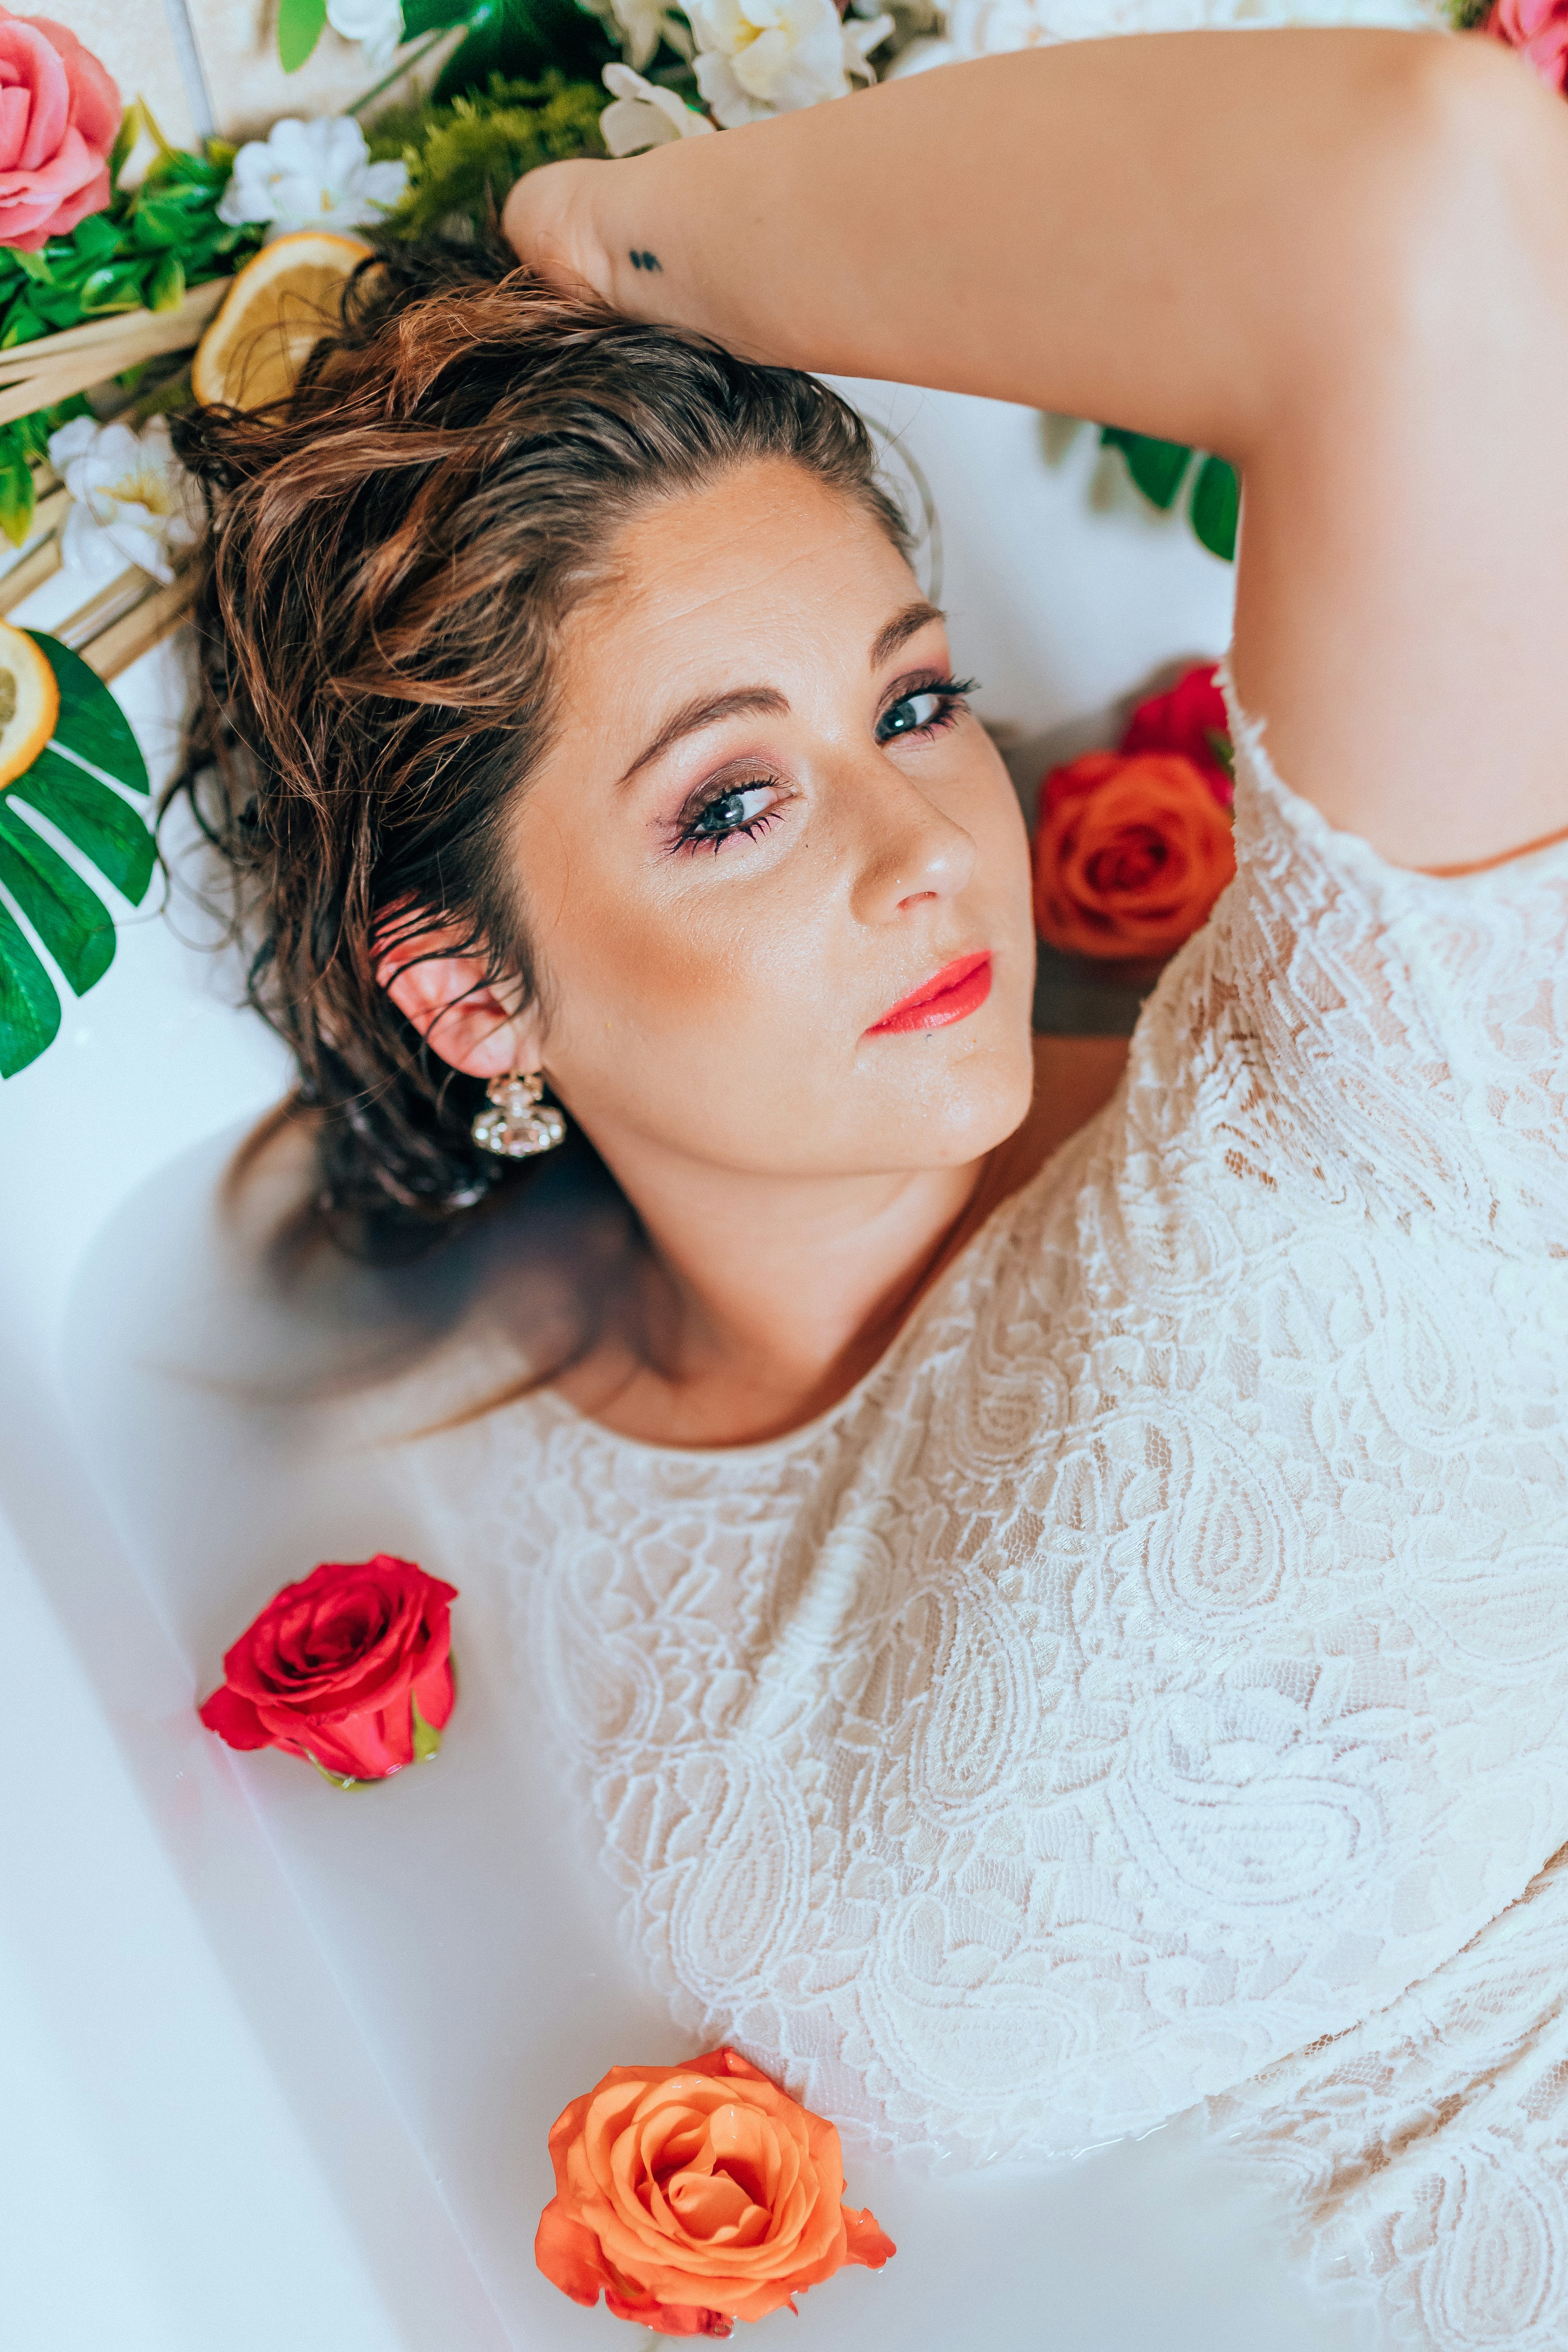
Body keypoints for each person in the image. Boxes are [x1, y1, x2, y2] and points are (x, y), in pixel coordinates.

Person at [175, 28, 1568, 2339]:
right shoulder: (426, 1493)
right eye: (736, 802)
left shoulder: (1344, 1119)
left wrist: (612, 236)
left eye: (912, 704)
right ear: (469, 995)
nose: (925, 845)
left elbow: (1415, 186)